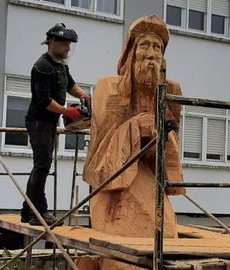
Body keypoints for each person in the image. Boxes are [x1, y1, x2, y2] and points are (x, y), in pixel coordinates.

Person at [81, 16, 185, 269]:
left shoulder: (170, 91)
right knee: (124, 253)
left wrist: (160, 135)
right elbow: (99, 151)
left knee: (167, 234)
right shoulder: (109, 88)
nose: (151, 55)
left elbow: (169, 154)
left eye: (157, 48)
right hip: (111, 184)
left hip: (147, 175)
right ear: (131, 53)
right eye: (144, 46)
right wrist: (137, 127)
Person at [21, 23, 90, 226]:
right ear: (52, 42)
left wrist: (83, 95)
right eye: (64, 44)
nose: (68, 48)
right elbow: (43, 100)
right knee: (42, 165)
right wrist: (67, 111)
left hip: (49, 121)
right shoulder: (41, 67)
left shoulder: (60, 65)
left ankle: (27, 211)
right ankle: (39, 213)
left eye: (69, 45)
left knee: (40, 166)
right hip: (38, 121)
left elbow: (70, 85)